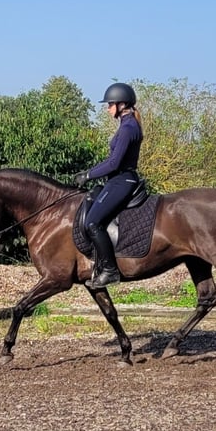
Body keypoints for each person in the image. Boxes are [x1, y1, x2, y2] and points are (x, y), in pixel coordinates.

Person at [75, 82, 143, 288]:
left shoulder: (128, 128)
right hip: (117, 179)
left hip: (123, 180)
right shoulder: (126, 125)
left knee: (92, 222)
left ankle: (110, 270)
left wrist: (88, 175)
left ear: (122, 104)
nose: (107, 108)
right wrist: (90, 172)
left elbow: (114, 163)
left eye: (110, 104)